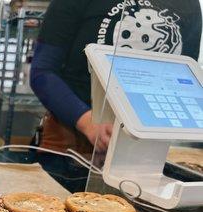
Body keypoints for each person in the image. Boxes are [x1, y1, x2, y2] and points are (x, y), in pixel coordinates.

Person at [30, 0, 202, 155]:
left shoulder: (188, 5)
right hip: (73, 140)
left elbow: (184, 79)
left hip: (146, 148)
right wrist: (86, 121)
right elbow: (43, 72)